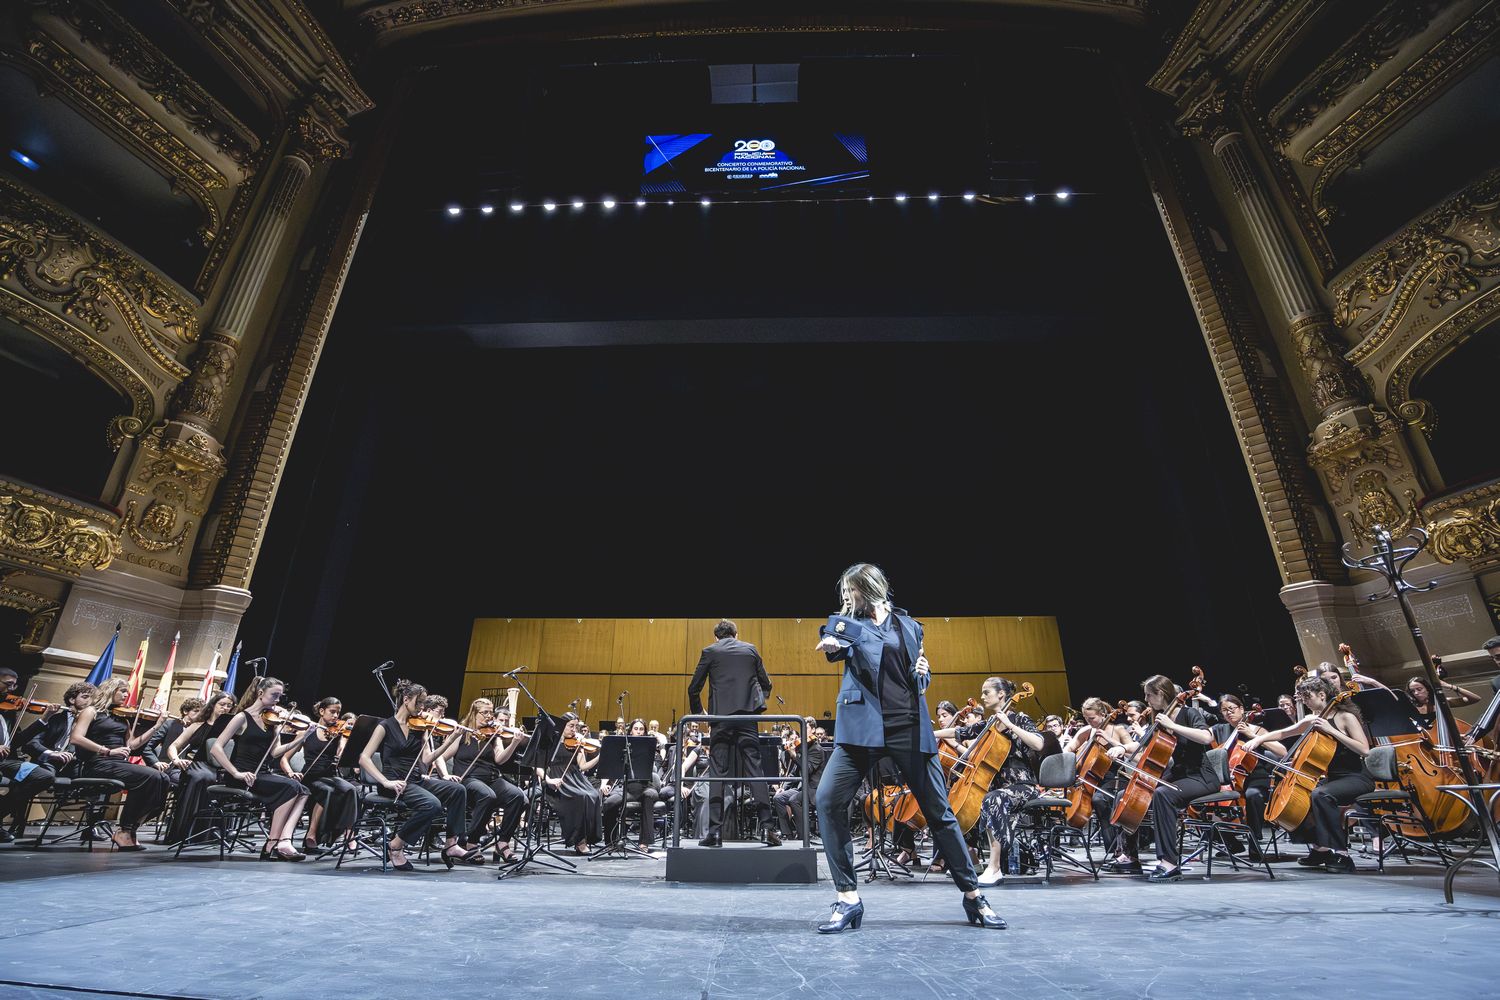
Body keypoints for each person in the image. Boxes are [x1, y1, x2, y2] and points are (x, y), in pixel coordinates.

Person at [812, 563, 1004, 932]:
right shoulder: (846, 622)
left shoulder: (909, 625)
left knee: (940, 814)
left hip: (909, 727)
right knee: (827, 799)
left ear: (869, 588)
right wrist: (832, 646)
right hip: (861, 729)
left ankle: (974, 896)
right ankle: (848, 898)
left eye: (852, 590)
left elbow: (919, 675)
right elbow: (834, 643)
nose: (847, 597)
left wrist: (923, 673)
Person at [1244, 675, 1371, 872]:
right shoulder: (1312, 719)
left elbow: (1364, 749)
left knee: (1320, 794)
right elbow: (1284, 733)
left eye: (1307, 697)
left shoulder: (1345, 717)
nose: (1305, 702)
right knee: (1294, 801)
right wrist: (1258, 739)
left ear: (1322, 695)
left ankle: (1342, 854)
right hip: (1332, 778)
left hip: (1356, 777)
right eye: (1302, 698)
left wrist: (1332, 731)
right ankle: (1320, 848)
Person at [940, 677, 1061, 884]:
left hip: (1022, 786)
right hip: (997, 787)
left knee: (992, 799)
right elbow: (960, 732)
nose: (982, 696)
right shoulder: (990, 723)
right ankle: (973, 862)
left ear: (1001, 694)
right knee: (964, 806)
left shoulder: (1019, 718)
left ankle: (994, 868)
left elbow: (1039, 744)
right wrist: (929, 734)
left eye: (986, 692)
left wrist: (1010, 725)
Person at [358, 679, 472, 871]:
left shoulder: (420, 727)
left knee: (458, 790)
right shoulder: (385, 726)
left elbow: (427, 759)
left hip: (415, 781)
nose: (421, 708)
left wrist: (450, 740)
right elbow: (364, 758)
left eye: (423, 704)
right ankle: (396, 845)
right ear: (406, 699)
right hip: (394, 783)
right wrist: (385, 782)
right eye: (418, 703)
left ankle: (451, 844)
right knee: (432, 805)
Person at [687, 619, 779, 847]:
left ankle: (715, 834)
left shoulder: (710, 651)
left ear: (716, 637)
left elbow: (693, 688)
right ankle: (767, 830)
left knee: (717, 774)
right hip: (747, 718)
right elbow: (766, 683)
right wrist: (756, 702)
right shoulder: (750, 650)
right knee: (755, 772)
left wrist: (699, 713)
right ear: (736, 634)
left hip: (721, 720)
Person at [1118, 674, 1216, 883]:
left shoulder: (1188, 713)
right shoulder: (1160, 717)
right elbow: (1143, 744)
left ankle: (1169, 863)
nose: (1146, 699)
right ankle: (1130, 855)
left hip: (1200, 776)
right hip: (1179, 775)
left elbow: (1207, 737)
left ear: (1161, 693)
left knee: (1163, 795)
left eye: (1149, 695)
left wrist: (1174, 725)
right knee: (1129, 793)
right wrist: (1122, 748)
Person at [209, 677, 312, 861]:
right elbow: (216, 748)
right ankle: (272, 843)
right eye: (274, 695)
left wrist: (302, 738)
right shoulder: (242, 717)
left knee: (303, 790)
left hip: (261, 774)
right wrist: (236, 773)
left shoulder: (272, 721)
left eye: (280, 696)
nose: (277, 700)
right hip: (243, 775)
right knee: (291, 787)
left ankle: (284, 841)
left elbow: (275, 752)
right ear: (261, 693)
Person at [69, 677, 168, 850]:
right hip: (98, 763)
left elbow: (132, 745)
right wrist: (107, 751)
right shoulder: (91, 711)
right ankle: (125, 831)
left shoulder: (123, 718)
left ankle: (130, 828)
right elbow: (76, 738)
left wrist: (156, 726)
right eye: (122, 691)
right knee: (151, 777)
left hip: (118, 764)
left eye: (127, 692)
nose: (126, 695)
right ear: (110, 690)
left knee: (163, 779)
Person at [444, 698, 527, 863]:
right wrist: (445, 775)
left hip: (492, 779)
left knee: (518, 796)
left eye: (491, 712)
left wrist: (514, 743)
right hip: (468, 779)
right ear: (474, 713)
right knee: (487, 795)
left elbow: (500, 759)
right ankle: (471, 842)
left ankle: (502, 843)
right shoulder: (463, 733)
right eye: (485, 713)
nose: (489, 716)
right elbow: (442, 756)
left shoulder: (494, 735)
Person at [1211, 693, 1286, 861]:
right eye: (1224, 710)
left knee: (1253, 795)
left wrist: (1253, 736)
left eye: (1232, 708)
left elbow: (1282, 751)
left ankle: (1254, 842)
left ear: (1241, 709)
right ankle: (1231, 841)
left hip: (1257, 777)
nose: (1229, 713)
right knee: (1209, 798)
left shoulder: (1257, 729)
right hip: (1232, 778)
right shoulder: (1221, 730)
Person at [282, 696, 358, 852]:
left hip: (330, 776)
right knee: (326, 791)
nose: (336, 716)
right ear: (322, 711)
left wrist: (342, 746)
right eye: (332, 712)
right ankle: (311, 834)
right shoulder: (307, 731)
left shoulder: (338, 733)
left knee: (352, 790)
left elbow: (341, 751)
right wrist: (290, 773)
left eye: (338, 713)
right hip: (310, 776)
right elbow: (284, 758)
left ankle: (349, 833)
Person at [163, 690, 236, 843]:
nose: (225, 708)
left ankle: (214, 833)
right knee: (201, 777)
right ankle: (188, 833)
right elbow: (174, 746)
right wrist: (176, 760)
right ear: (213, 705)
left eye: (229, 706)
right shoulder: (198, 725)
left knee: (227, 780)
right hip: (198, 765)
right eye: (222, 704)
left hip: (222, 767)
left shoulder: (232, 729)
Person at [0, 667, 57, 842]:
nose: (12, 690)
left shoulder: (8, 711)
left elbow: (17, 741)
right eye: (8, 684)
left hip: (6, 761)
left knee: (44, 777)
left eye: (14, 686)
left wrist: (44, 718)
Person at [537, 713, 603, 854]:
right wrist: (548, 780)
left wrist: (599, 756)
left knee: (594, 795)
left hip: (575, 778)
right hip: (556, 779)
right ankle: (579, 841)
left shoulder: (576, 743)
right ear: (562, 725)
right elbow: (538, 767)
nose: (574, 730)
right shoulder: (550, 742)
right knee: (579, 797)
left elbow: (583, 766)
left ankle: (588, 837)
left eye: (576, 727)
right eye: (571, 726)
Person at [600, 718, 664, 851]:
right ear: (630, 731)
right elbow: (613, 767)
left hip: (646, 786)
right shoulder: (623, 748)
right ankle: (611, 841)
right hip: (627, 788)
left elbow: (655, 767)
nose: (639, 732)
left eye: (641, 729)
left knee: (649, 796)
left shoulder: (650, 747)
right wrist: (605, 783)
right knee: (609, 803)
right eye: (636, 729)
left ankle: (644, 842)